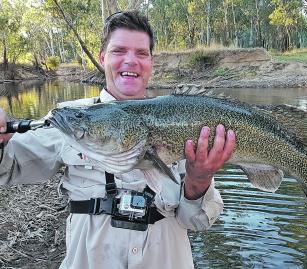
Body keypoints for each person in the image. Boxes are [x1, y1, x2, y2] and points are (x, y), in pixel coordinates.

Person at [0, 11, 236, 269]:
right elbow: (8, 168)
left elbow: (197, 221)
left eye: (141, 53)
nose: (130, 61)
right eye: (119, 51)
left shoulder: (185, 121)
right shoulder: (71, 117)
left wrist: (199, 179)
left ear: (151, 62)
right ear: (103, 58)